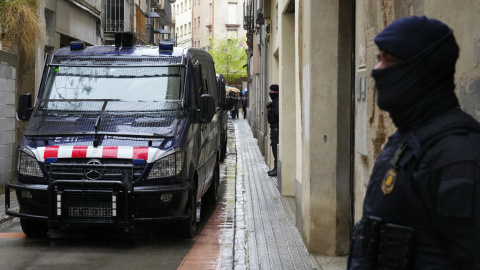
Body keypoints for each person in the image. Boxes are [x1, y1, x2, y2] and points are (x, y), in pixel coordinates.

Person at [347, 16, 480, 269]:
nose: (377, 70)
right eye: (378, 58)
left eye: (390, 60)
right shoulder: (406, 140)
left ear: (423, 71)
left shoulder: (458, 154)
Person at [267, 84, 279, 176]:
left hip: (276, 128)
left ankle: (276, 169)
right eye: (270, 91)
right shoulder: (275, 101)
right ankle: (275, 168)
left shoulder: (277, 102)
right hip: (273, 128)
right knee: (274, 147)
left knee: (275, 148)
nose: (270, 93)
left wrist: (272, 109)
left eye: (272, 91)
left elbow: (277, 115)